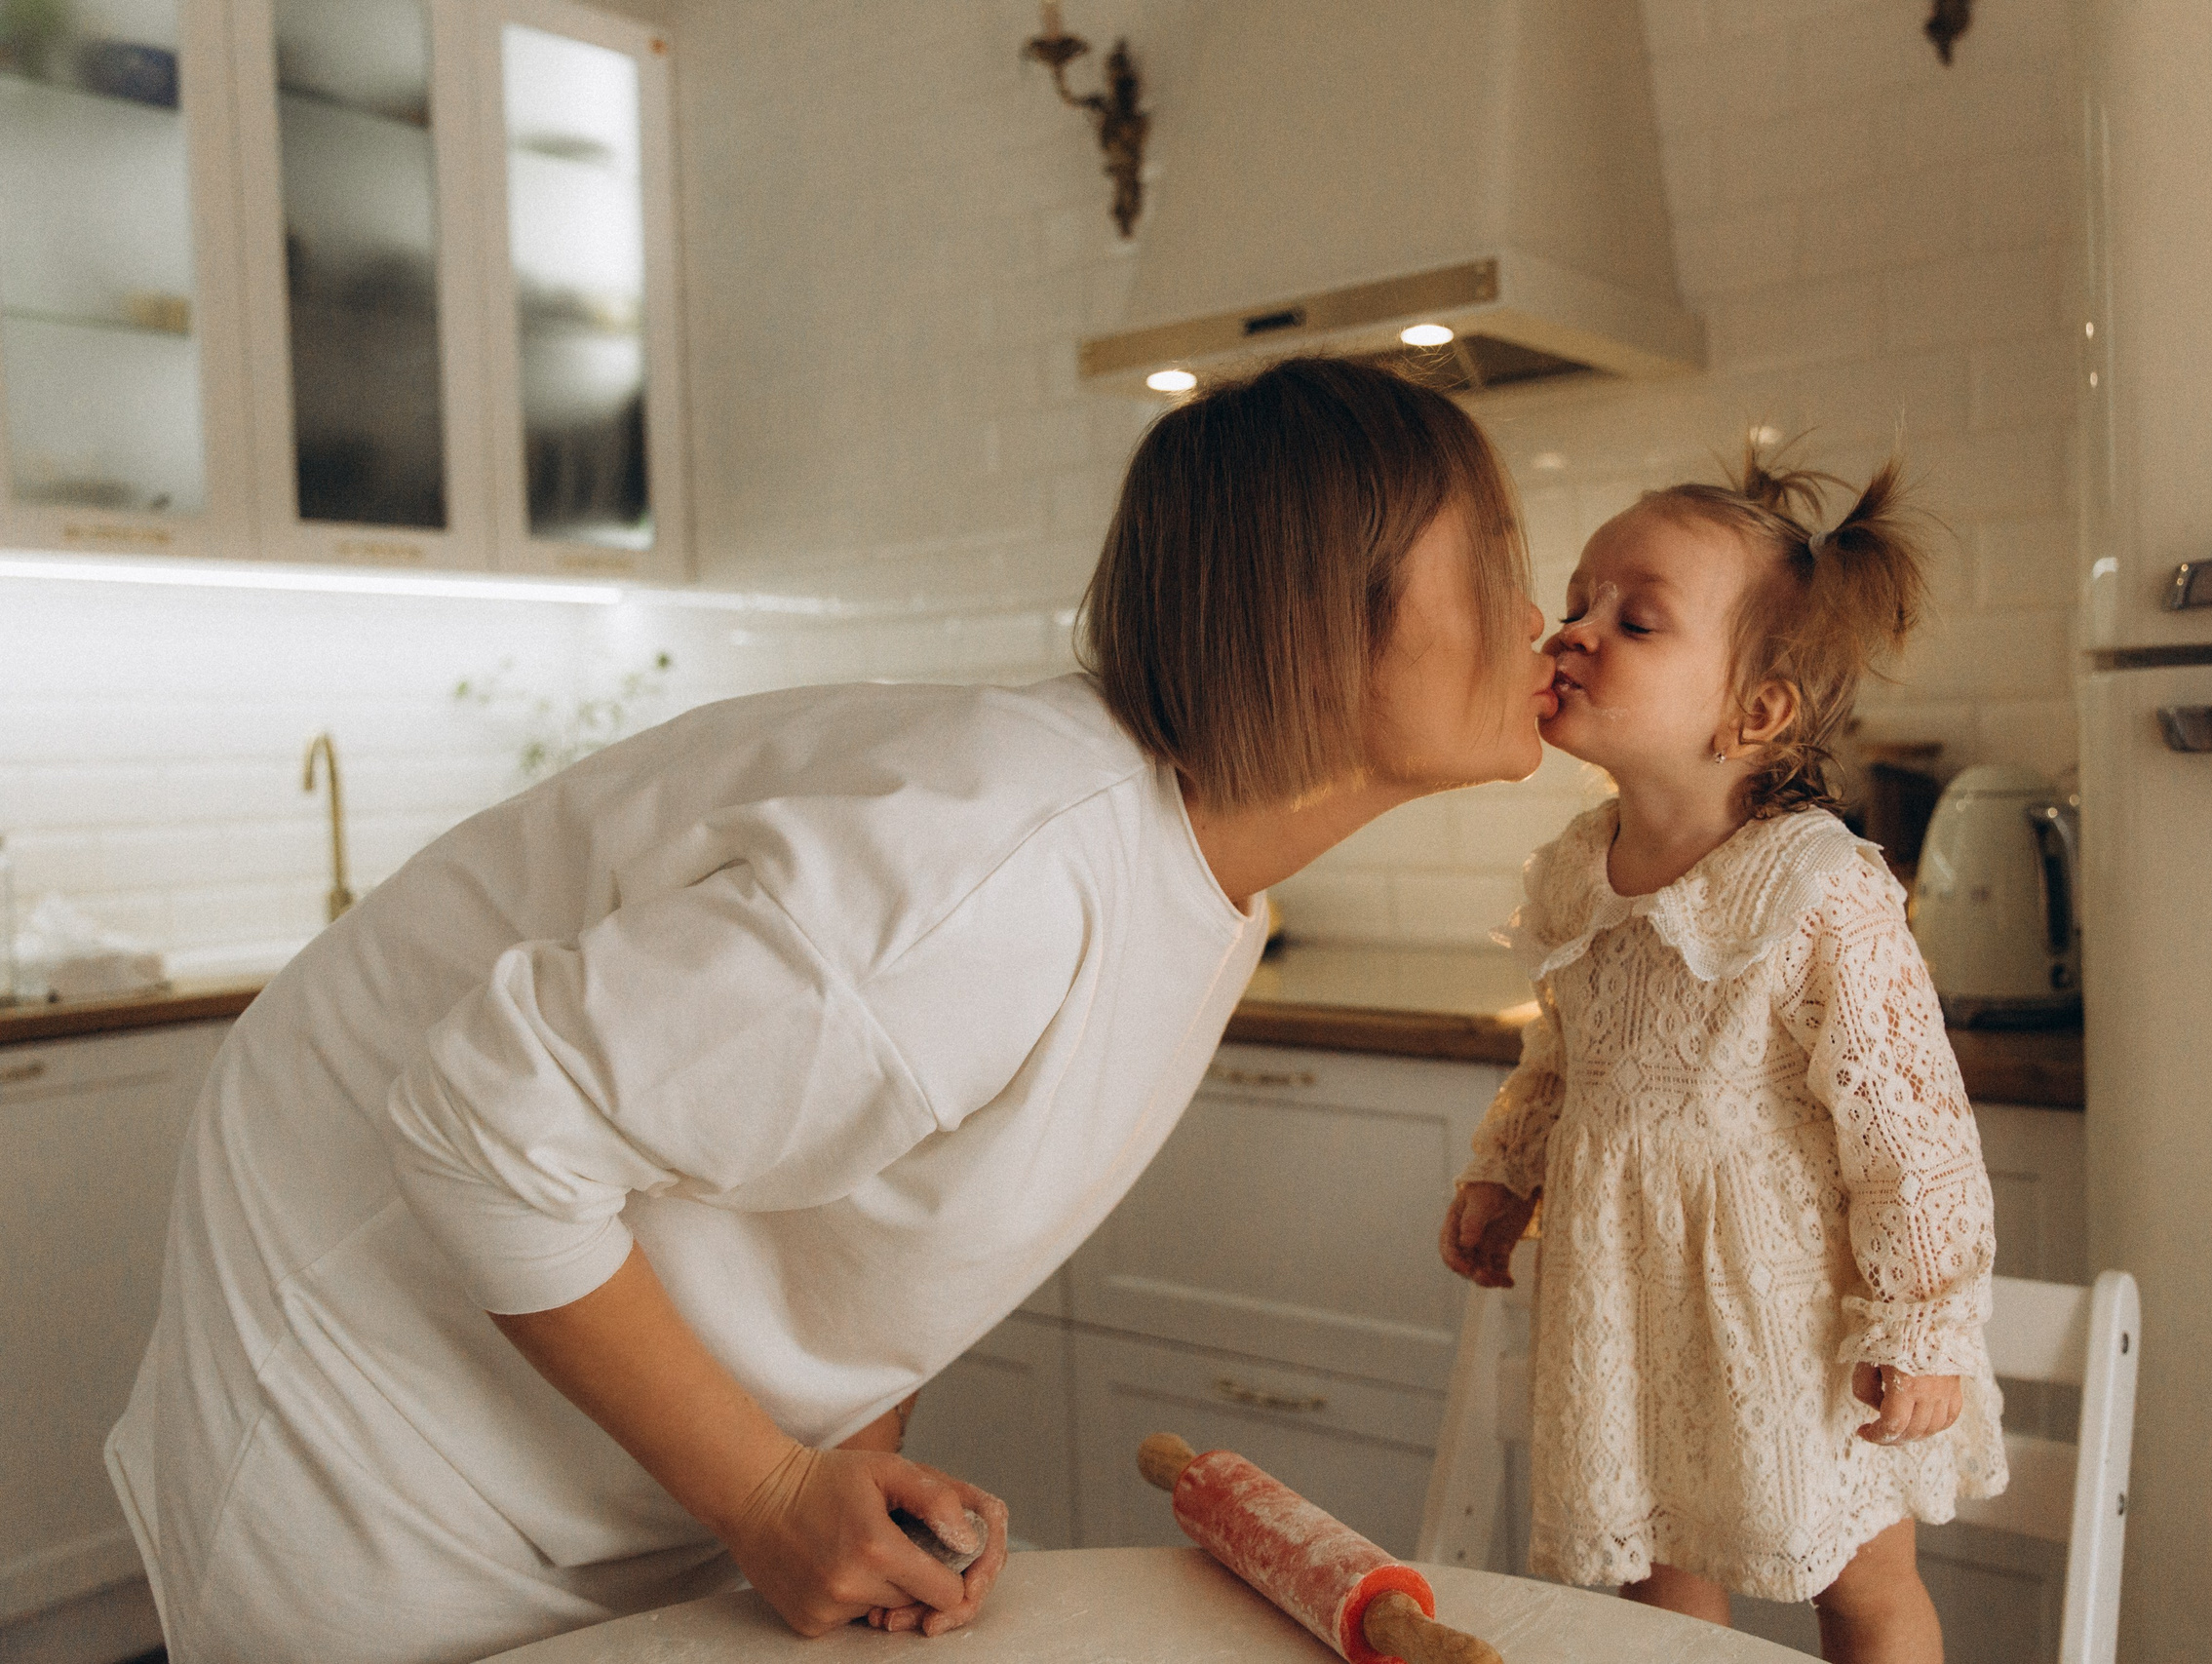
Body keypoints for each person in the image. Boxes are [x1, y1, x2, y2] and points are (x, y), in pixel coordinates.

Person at [109, 356, 1557, 1664]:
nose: (1539, 612)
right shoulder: (998, 872)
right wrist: (768, 1489)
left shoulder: (1199, 882)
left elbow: (890, 1224)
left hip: (572, 1420)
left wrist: (851, 1476)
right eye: (1493, 557)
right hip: (372, 1393)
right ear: (1318, 603)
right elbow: (481, 1122)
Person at [1439, 441, 2006, 1664]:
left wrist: (1916, 1321)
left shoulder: (1816, 889)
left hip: (1787, 1320)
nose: (1573, 630)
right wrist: (1507, 1170)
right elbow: (1568, 1053)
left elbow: (1909, 1130)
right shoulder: (1576, 871)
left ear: (1755, 713)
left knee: (1859, 1581)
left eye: (1632, 620)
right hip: (1627, 1302)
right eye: (1579, 601)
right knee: (1654, 1574)